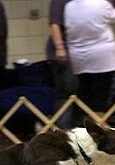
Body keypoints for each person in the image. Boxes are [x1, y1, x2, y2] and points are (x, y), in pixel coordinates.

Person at [64, 0, 115, 123]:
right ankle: (99, 126)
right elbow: (114, 16)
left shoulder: (69, 6)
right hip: (102, 57)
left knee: (85, 91)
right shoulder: (101, 3)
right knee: (101, 93)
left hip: (79, 57)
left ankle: (87, 125)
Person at [46, 0, 77, 130]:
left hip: (78, 51)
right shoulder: (59, 2)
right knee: (66, 92)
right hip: (64, 52)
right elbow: (55, 24)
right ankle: (64, 130)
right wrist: (60, 47)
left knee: (76, 92)